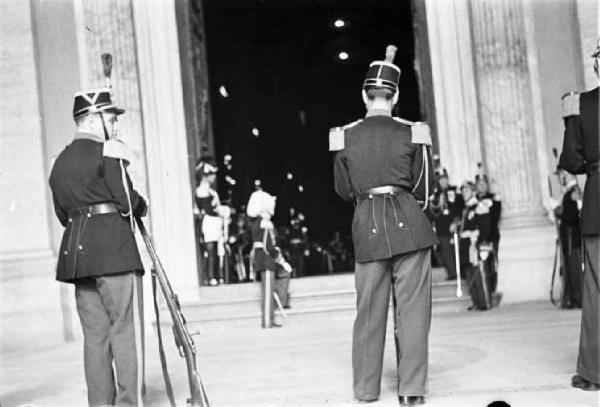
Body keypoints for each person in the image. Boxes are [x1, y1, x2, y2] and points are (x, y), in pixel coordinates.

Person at [330, 45, 438, 406]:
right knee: (412, 312)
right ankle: (411, 392)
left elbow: (344, 191)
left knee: (369, 313)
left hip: (367, 227)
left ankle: (366, 390)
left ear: (364, 94)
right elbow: (424, 188)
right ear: (396, 96)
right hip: (410, 224)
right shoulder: (415, 132)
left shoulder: (344, 135)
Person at [49, 88, 147, 406]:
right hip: (114, 254)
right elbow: (128, 203)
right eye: (110, 118)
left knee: (95, 338)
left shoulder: (59, 162)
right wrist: (141, 203)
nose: (114, 124)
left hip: (78, 258)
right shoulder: (109, 152)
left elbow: (63, 214)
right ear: (92, 120)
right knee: (125, 331)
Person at [559, 37, 600, 392]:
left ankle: (594, 373)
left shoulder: (582, 105)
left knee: (598, 290)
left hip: (599, 203)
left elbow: (572, 160)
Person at [247, 189, 292, 328]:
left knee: (269, 290)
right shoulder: (264, 223)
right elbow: (269, 246)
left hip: (263, 258)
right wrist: (280, 259)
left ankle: (270, 318)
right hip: (266, 259)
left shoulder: (258, 222)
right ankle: (268, 321)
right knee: (267, 293)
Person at [458, 181, 493, 311]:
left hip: (474, 245)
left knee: (478, 273)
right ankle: (476, 301)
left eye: (466, 191)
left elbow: (485, 228)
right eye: (462, 192)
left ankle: (484, 301)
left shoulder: (479, 207)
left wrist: (477, 241)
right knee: (469, 274)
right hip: (466, 246)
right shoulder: (466, 209)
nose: (463, 194)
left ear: (473, 192)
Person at [195, 161, 227, 286]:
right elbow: (207, 208)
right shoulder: (201, 190)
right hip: (208, 221)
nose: (213, 177)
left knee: (218, 249)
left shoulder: (211, 191)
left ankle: (218, 275)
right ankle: (210, 276)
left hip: (216, 221)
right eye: (211, 174)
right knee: (210, 249)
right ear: (205, 176)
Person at [554, 173, 583, 309]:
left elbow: (572, 217)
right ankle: (573, 298)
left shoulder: (573, 193)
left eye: (563, 175)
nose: (560, 178)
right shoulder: (568, 193)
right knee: (570, 269)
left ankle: (577, 298)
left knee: (575, 269)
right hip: (569, 238)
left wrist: (560, 213)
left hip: (573, 238)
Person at [429, 170, 464, 281]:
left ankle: (461, 272)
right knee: (444, 251)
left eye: (445, 178)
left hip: (454, 226)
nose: (443, 181)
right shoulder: (435, 194)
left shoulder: (455, 191)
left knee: (457, 250)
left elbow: (460, 208)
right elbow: (433, 212)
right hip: (441, 228)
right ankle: (452, 273)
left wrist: (456, 222)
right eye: (441, 179)